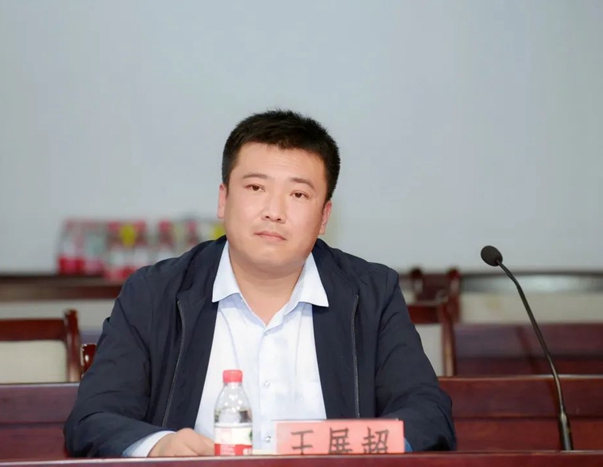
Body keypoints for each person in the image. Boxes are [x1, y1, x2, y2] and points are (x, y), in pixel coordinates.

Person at [64, 109, 456, 457]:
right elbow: (94, 417)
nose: (274, 211)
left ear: (324, 217)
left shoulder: (371, 294)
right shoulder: (154, 294)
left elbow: (426, 411)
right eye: (255, 188)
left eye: (298, 194)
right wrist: (158, 446)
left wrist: (368, 450)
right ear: (223, 200)